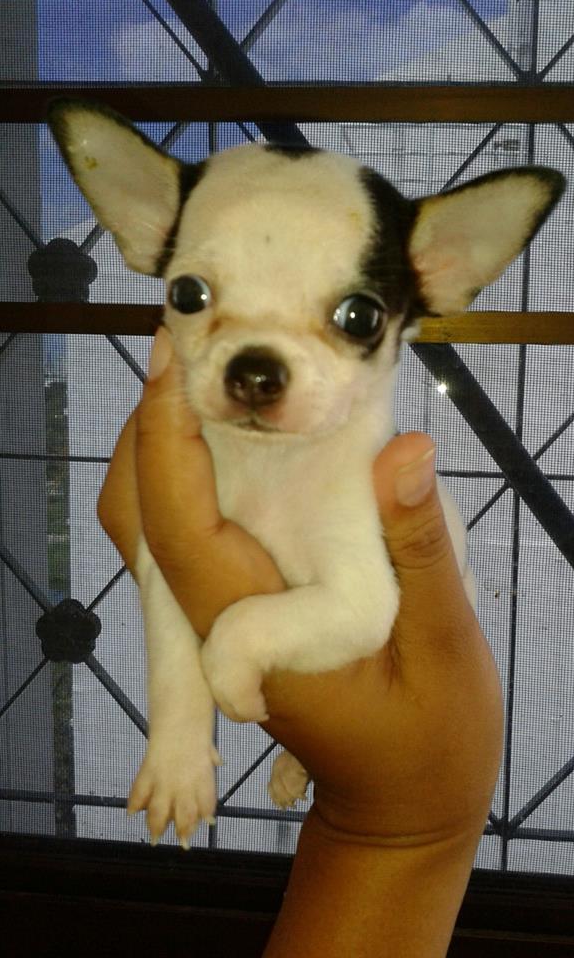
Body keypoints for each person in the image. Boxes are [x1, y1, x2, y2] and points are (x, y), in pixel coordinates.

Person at [98, 328, 503, 958]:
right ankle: (319, 753)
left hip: (408, 638)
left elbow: (355, 611)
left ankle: (318, 754)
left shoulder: (338, 463)